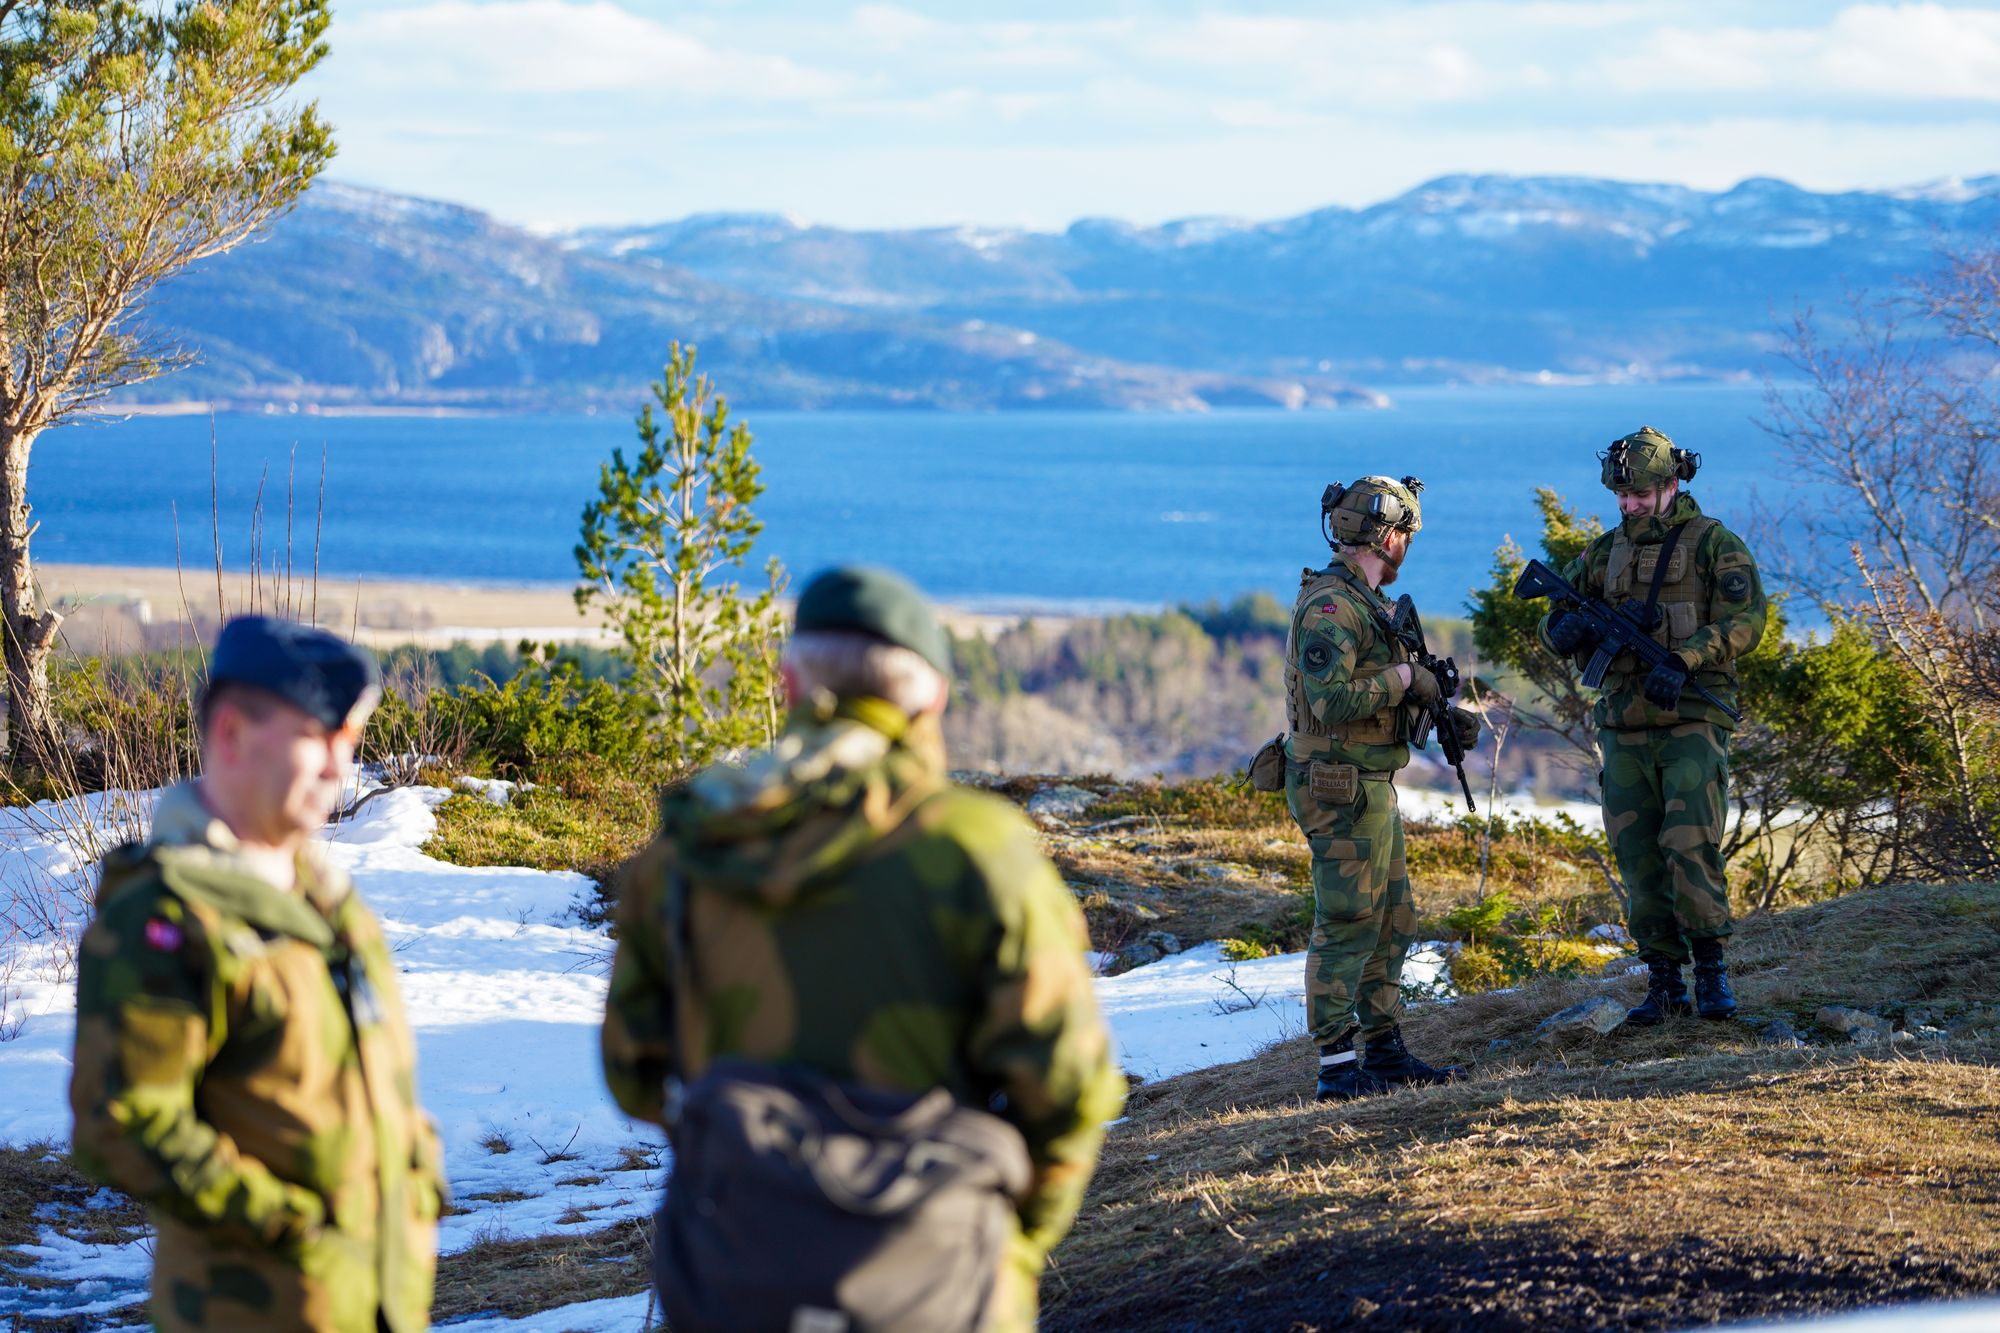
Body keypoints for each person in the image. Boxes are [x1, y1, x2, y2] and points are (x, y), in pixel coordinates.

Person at [602, 565, 1126, 1333]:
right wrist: (1009, 1245)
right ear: (934, 696)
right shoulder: (979, 850)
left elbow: (632, 1074)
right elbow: (1071, 1089)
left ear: (788, 683)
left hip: (733, 1276)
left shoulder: (692, 846)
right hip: (940, 1283)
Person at [69, 617, 444, 1333]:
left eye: (350, 741)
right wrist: (290, 1227)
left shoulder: (327, 900)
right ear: (234, 733)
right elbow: (123, 1122)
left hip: (373, 1300)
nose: (341, 765)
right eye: (316, 736)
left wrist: (416, 1180)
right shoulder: (167, 916)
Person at [1536, 426, 1767, 1024]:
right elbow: (1557, 609)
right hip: (1623, 723)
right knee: (1637, 853)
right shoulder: (1603, 552)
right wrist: (1560, 632)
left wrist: (1687, 658)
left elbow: (1748, 621)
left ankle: (1711, 972)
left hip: (1690, 718)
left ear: (1670, 485)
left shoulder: (1714, 543)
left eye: (1639, 494)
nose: (1629, 505)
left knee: (1690, 843)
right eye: (1621, 496)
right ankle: (1663, 981)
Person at [1283, 476, 1480, 1101]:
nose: (1407, 549)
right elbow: (1331, 699)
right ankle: (1338, 1070)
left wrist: (1439, 710)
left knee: (1392, 919)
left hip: (1369, 782)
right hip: (1339, 786)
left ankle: (1384, 1050)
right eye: (1406, 536)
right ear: (1388, 536)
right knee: (1347, 921)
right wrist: (1403, 677)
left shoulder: (1367, 602)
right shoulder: (1332, 607)